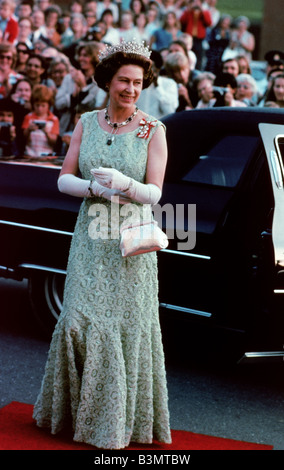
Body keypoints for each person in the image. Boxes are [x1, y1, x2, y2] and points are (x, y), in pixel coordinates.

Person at [33, 39, 171, 449]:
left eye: (138, 82)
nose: (131, 89)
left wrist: (126, 184)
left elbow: (155, 193)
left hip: (130, 245)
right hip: (90, 240)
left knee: (123, 329)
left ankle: (113, 426)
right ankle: (73, 415)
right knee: (76, 319)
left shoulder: (153, 130)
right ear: (108, 81)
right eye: (123, 81)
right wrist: (93, 186)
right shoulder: (86, 122)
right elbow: (62, 178)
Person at [137, 49, 178, 117]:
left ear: (157, 69)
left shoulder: (169, 84)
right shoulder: (135, 85)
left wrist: (157, 86)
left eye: (149, 66)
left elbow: (170, 111)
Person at [22, 83, 60, 157]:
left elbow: (54, 142)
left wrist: (47, 133)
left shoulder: (54, 119)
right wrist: (29, 130)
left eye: (43, 105)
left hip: (47, 155)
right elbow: (23, 139)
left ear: (49, 105)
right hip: (30, 155)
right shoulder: (28, 117)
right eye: (37, 105)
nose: (40, 109)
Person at [179, 0, 212, 70]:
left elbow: (209, 22)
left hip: (199, 40)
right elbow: (182, 21)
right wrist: (189, 9)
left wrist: (201, 10)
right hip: (189, 39)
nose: (196, 4)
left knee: (199, 57)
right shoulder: (188, 12)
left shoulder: (204, 12)